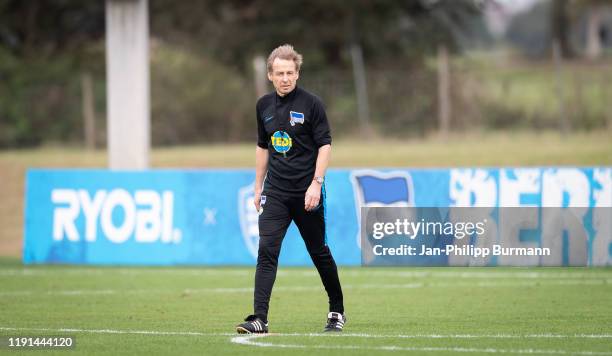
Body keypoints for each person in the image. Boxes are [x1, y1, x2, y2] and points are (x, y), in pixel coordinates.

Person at [236, 44, 345, 334]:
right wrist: (258, 186)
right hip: (276, 192)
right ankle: (260, 318)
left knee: (318, 251)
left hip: (307, 192)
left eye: (290, 73)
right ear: (270, 75)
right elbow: (263, 148)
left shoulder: (312, 104)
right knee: (267, 250)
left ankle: (336, 310)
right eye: (280, 73)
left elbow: (325, 145)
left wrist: (316, 184)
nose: (285, 78)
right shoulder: (263, 107)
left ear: (297, 74)